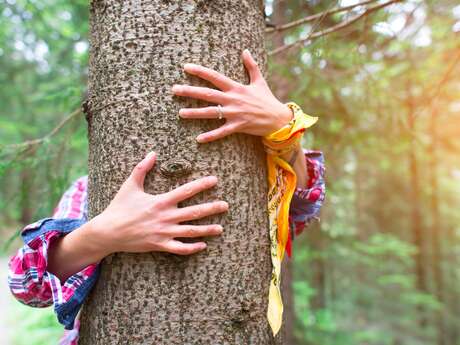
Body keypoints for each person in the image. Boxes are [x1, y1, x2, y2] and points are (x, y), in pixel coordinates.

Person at [7, 49, 325, 344]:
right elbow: (26, 284)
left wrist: (286, 130)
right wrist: (105, 234)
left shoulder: (258, 176)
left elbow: (303, 206)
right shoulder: (88, 190)